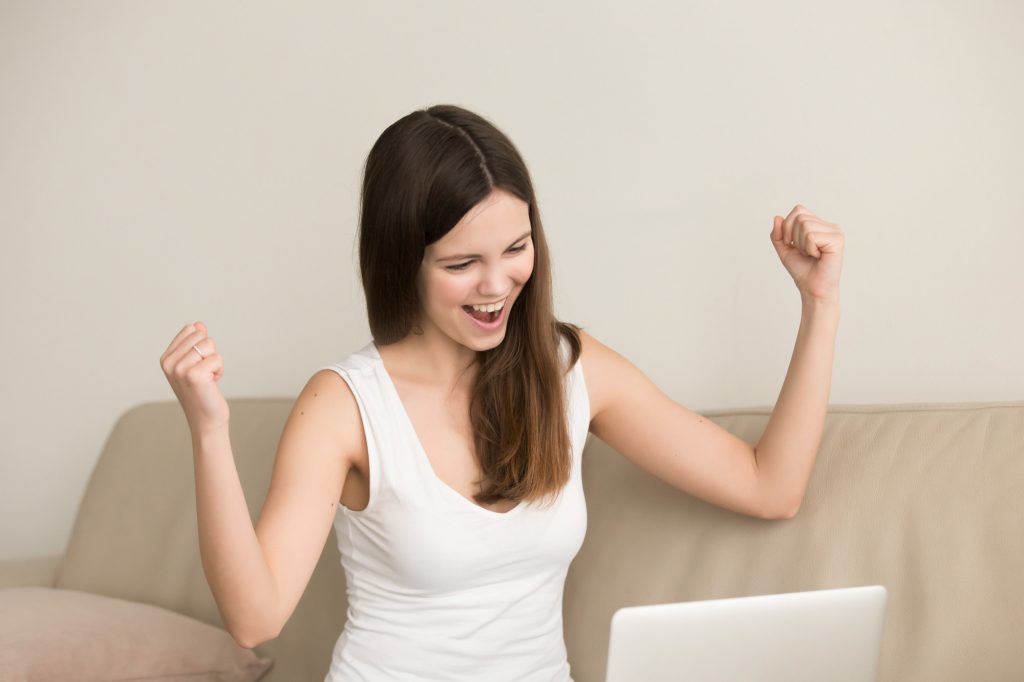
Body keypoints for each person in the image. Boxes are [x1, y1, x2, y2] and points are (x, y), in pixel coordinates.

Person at [159, 104, 845, 681]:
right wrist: (209, 431)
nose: (497, 286)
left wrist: (820, 302)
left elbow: (769, 487)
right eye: (462, 264)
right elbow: (255, 619)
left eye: (516, 249)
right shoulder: (344, 405)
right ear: (404, 261)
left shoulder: (570, 367)